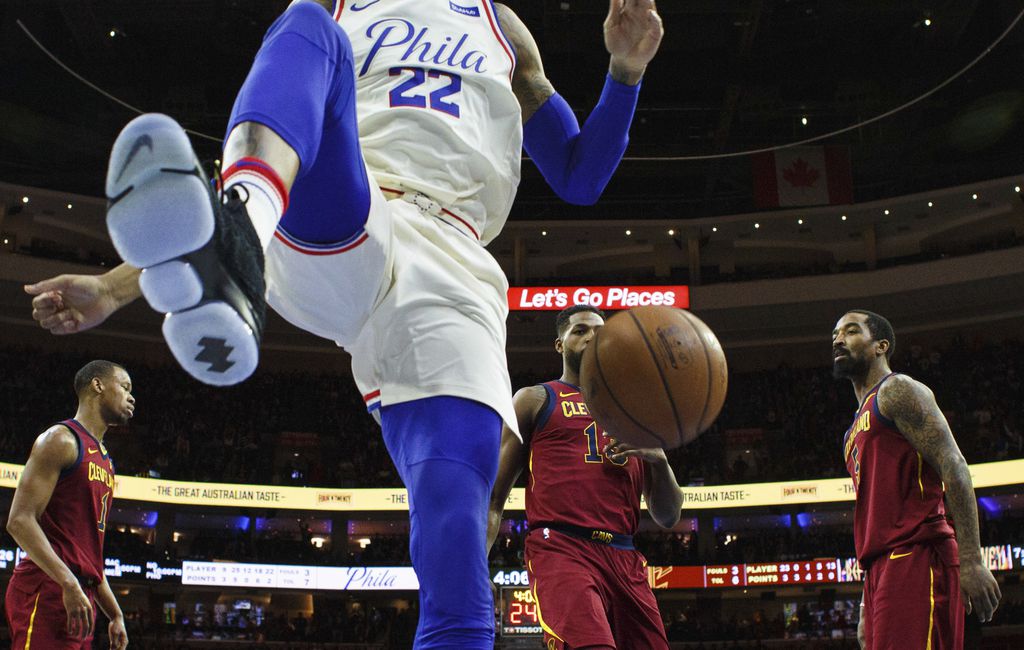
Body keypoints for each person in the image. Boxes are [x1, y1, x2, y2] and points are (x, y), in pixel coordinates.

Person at [26, 1, 663, 646]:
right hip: (349, 218)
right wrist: (112, 285)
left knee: (456, 549)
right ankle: (243, 226)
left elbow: (581, 177)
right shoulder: (337, 6)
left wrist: (625, 71)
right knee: (307, 26)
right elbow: (286, 139)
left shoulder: (504, 28)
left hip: (453, 266)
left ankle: (240, 236)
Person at [487, 304, 682, 649]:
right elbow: (493, 500)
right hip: (562, 548)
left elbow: (668, 516)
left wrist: (660, 462)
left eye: (599, 332)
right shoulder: (535, 399)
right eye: (580, 331)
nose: (592, 337)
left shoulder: (636, 412)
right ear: (559, 345)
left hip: (625, 555)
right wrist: (474, 566)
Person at [831, 310, 1001, 649]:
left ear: (881, 345)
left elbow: (954, 464)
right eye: (835, 334)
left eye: (851, 331)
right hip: (880, 569)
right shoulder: (851, 432)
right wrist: (867, 602)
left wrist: (971, 559)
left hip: (917, 555)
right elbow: (876, 516)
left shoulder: (897, 390)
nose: (838, 340)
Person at [4, 360, 133, 650]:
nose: (131, 396)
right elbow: (19, 521)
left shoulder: (106, 461)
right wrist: (68, 583)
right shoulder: (61, 439)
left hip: (79, 594)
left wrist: (115, 614)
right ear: (97, 385)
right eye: (125, 387)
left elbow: (89, 556)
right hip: (47, 586)